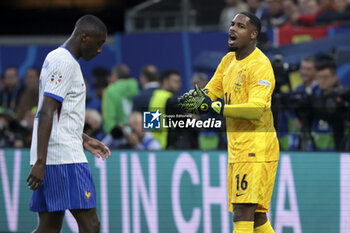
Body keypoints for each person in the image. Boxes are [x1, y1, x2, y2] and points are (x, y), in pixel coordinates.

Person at [178, 12, 279, 232]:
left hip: (256, 148)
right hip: (238, 149)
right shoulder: (228, 61)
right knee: (258, 217)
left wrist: (217, 108)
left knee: (242, 211)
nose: (232, 29)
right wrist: (186, 105)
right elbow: (209, 93)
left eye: (240, 26)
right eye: (232, 24)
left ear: (253, 35)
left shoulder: (260, 65)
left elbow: (255, 110)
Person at [26, 15, 111, 233]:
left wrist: (83, 138)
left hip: (56, 153)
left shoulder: (57, 58)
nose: (100, 50)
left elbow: (56, 114)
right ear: (85, 37)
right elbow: (46, 111)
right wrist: (41, 161)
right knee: (91, 225)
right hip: (63, 158)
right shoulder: (64, 62)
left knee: (49, 227)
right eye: (99, 43)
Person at [102, 64, 139, 133]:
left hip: (118, 133)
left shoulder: (110, 90)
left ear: (115, 75)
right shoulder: (135, 87)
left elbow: (109, 116)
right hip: (135, 132)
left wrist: (111, 132)